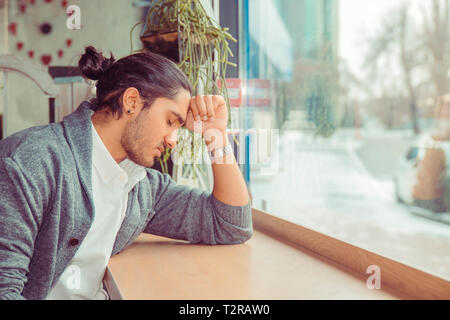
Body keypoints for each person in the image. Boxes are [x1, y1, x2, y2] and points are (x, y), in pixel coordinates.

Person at [0, 46, 253, 300]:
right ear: (131, 102)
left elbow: (231, 224)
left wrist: (216, 136)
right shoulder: (31, 163)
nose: (173, 140)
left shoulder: (141, 187)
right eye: (169, 121)